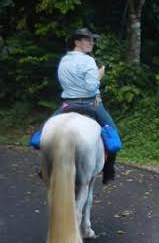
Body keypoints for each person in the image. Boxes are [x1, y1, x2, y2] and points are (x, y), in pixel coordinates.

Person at [51, 27, 119, 183]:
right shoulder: (88, 60)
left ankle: (46, 168)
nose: (92, 43)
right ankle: (108, 170)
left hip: (67, 105)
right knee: (113, 132)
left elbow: (63, 82)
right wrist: (99, 76)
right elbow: (91, 87)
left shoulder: (64, 60)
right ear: (77, 42)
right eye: (87, 40)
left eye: (92, 40)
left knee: (43, 133)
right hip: (91, 103)